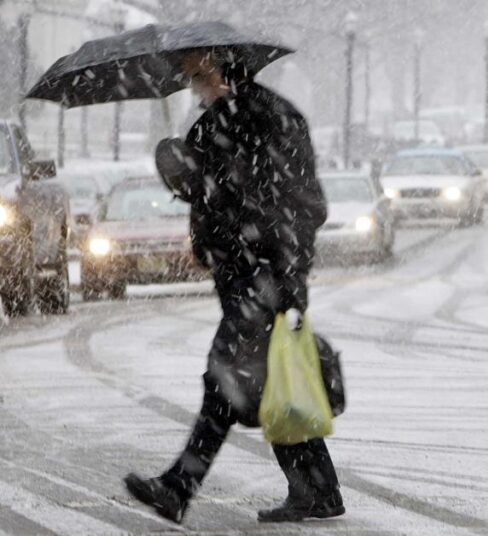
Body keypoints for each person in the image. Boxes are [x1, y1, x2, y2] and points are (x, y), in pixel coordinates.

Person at [123, 48, 342, 523]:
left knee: (222, 380)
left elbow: (306, 206)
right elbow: (207, 191)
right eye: (188, 77)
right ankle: (319, 490)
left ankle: (179, 486)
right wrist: (187, 185)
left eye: (198, 73)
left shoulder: (272, 118)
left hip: (264, 278)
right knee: (266, 383)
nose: (192, 83)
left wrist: (283, 273)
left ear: (224, 69)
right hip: (242, 276)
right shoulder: (214, 123)